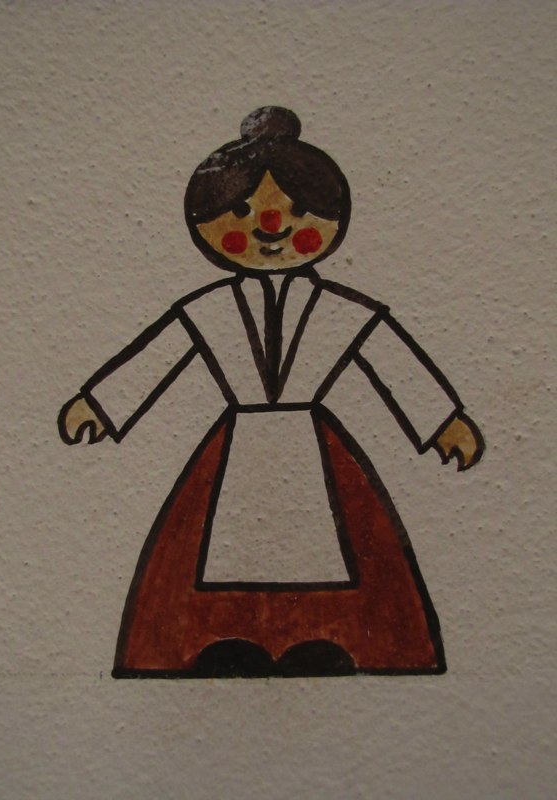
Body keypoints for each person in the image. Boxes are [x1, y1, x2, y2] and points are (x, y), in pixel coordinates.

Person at [59, 107, 484, 678]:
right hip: (235, 448)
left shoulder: (341, 310)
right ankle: (226, 636)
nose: (270, 228)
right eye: (241, 213)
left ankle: (325, 635)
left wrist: (442, 421)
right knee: (215, 551)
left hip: (315, 449)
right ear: (205, 225)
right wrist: (101, 404)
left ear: (331, 222)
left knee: (339, 548)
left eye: (296, 213)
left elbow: (391, 361)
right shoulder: (209, 309)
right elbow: (160, 356)